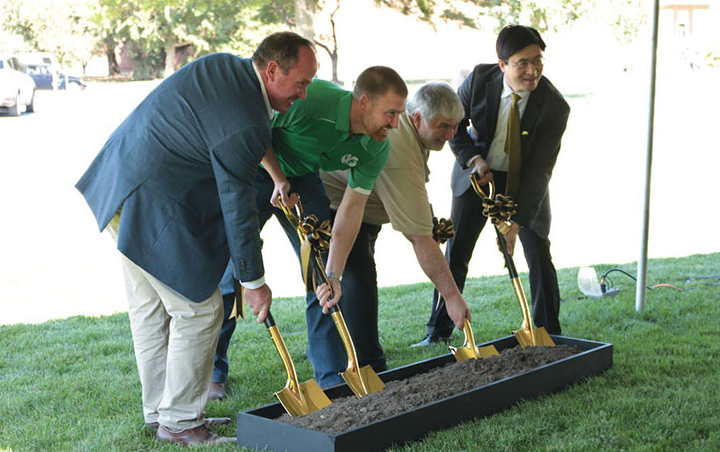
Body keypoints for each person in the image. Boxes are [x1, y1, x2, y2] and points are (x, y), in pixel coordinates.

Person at [75, 32, 318, 445]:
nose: (304, 94)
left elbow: (247, 135)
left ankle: (161, 413)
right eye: (301, 83)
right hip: (151, 199)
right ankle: (181, 423)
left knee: (152, 309)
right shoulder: (246, 114)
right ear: (272, 70)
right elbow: (238, 205)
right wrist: (253, 282)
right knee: (200, 311)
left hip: (120, 182)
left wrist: (277, 175)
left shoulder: (227, 69)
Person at [212, 67, 408, 394]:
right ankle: (213, 371)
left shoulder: (376, 146)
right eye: (391, 113)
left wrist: (334, 272)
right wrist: (277, 177)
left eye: (399, 114)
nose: (396, 124)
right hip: (255, 170)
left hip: (303, 177)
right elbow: (254, 131)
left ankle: (330, 378)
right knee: (231, 268)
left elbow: (351, 210)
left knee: (320, 274)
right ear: (364, 102)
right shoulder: (311, 100)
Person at [416, 25, 570, 346]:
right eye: (523, 63)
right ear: (502, 64)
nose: (533, 70)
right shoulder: (478, 79)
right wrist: (473, 159)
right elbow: (455, 126)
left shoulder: (554, 106)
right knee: (456, 252)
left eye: (538, 61)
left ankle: (548, 332)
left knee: (538, 251)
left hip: (524, 181)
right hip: (477, 176)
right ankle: (438, 331)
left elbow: (541, 169)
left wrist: (516, 223)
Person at [319, 82, 470, 369]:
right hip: (328, 203)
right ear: (417, 119)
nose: (451, 135)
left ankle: (353, 355)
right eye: (443, 126)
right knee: (356, 279)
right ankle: (366, 366)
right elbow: (419, 238)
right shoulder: (397, 149)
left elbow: (415, 192)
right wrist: (452, 297)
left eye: (456, 126)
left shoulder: (415, 135)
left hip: (363, 205)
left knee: (356, 277)